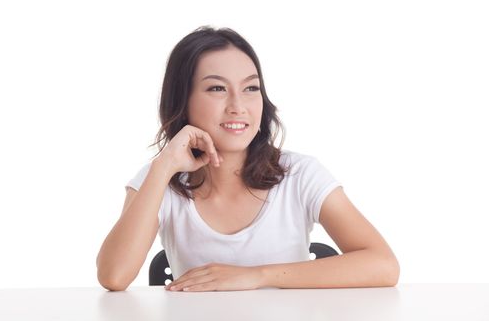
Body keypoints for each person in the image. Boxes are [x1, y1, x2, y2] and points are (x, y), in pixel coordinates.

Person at [96, 25, 400, 292]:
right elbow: (114, 276)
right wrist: (163, 167)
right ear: (181, 99)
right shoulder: (158, 180)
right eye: (217, 88)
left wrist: (256, 276)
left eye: (251, 88)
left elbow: (384, 265)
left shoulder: (300, 174)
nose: (238, 106)